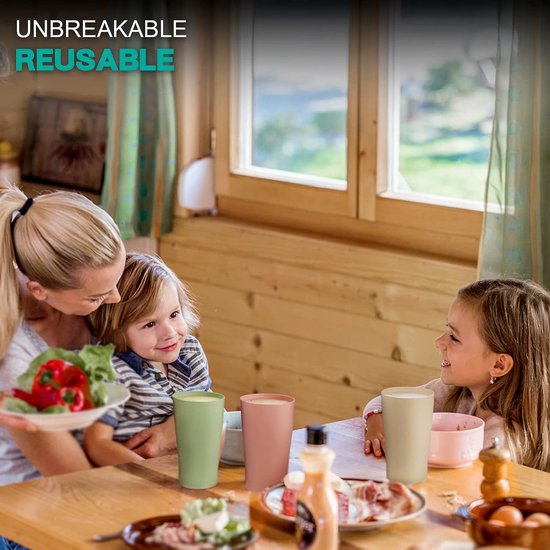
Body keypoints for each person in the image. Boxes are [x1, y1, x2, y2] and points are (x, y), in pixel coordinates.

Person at [0, 182, 175, 487]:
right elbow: (77, 479)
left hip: (113, 470)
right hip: (33, 503)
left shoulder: (93, 304)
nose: (117, 299)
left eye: (116, 280)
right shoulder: (14, 359)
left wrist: (173, 429)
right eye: (96, 296)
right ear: (39, 291)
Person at [363, 279, 550, 472]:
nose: (439, 342)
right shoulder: (455, 393)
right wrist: (378, 427)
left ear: (499, 364)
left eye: (454, 337)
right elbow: (389, 401)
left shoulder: (503, 438)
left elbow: (467, 482)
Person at [84, 253, 211, 466]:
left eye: (174, 314)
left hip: (189, 469)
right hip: (135, 481)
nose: (169, 332)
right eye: (150, 324)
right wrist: (148, 475)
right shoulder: (110, 370)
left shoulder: (191, 352)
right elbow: (96, 443)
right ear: (118, 331)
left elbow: (207, 411)